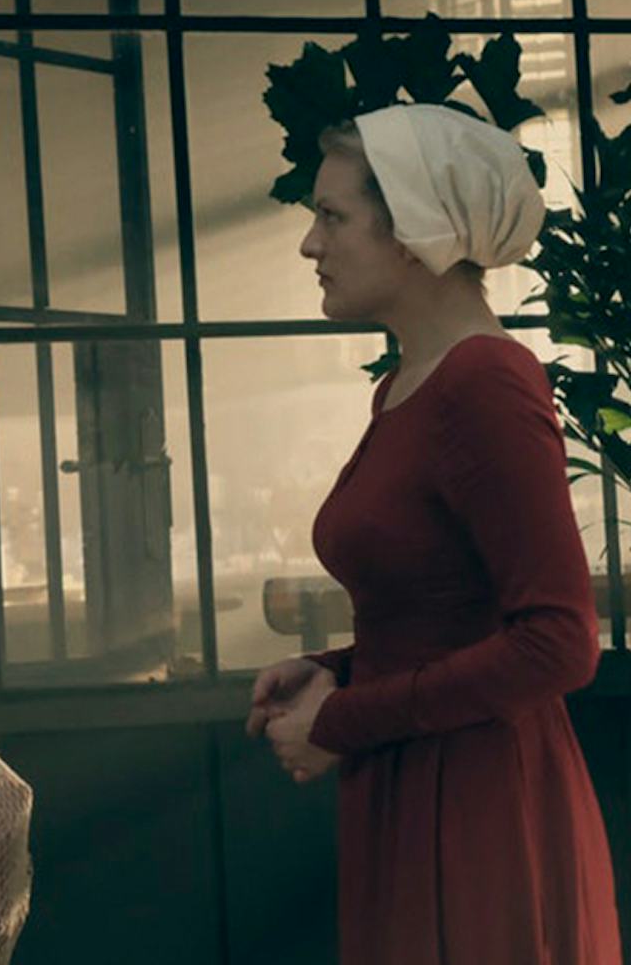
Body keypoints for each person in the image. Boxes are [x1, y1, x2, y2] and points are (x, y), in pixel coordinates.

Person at [247, 104, 622, 964]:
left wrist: (344, 716)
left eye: (332, 216)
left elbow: (561, 641)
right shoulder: (409, 385)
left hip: (481, 802)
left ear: (413, 233)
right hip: (415, 776)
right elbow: (450, 610)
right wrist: (337, 670)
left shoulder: (486, 382)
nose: (311, 243)